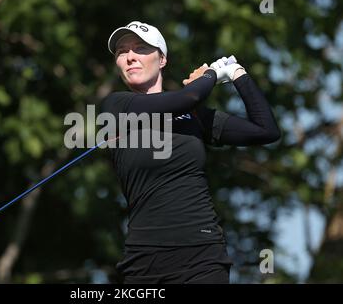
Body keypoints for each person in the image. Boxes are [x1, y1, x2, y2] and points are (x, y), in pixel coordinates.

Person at [100, 20, 281, 284]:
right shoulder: (116, 105)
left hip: (203, 256)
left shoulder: (191, 116)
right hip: (144, 261)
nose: (129, 58)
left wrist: (236, 73)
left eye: (140, 49)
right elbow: (188, 97)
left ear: (161, 59)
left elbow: (266, 130)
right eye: (121, 52)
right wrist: (211, 74)